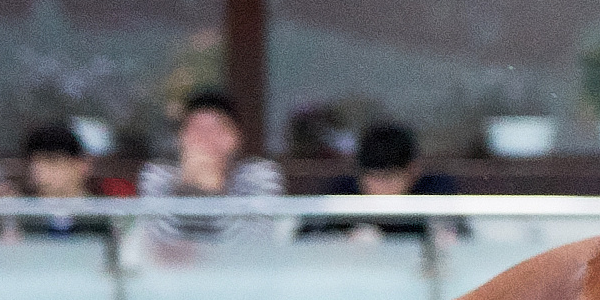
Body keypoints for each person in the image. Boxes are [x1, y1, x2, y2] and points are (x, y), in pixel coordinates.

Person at [137, 89, 285, 249]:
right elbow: (156, 249)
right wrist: (187, 188)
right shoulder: (158, 176)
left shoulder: (258, 176)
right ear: (180, 139)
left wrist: (213, 192)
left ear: (235, 139)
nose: (205, 139)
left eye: (216, 129)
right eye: (196, 129)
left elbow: (254, 247)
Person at [302, 121, 463, 239]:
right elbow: (307, 241)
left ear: (413, 171)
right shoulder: (342, 197)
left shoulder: (435, 194)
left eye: (389, 177)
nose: (380, 187)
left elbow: (461, 237)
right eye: (373, 177)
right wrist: (342, 241)